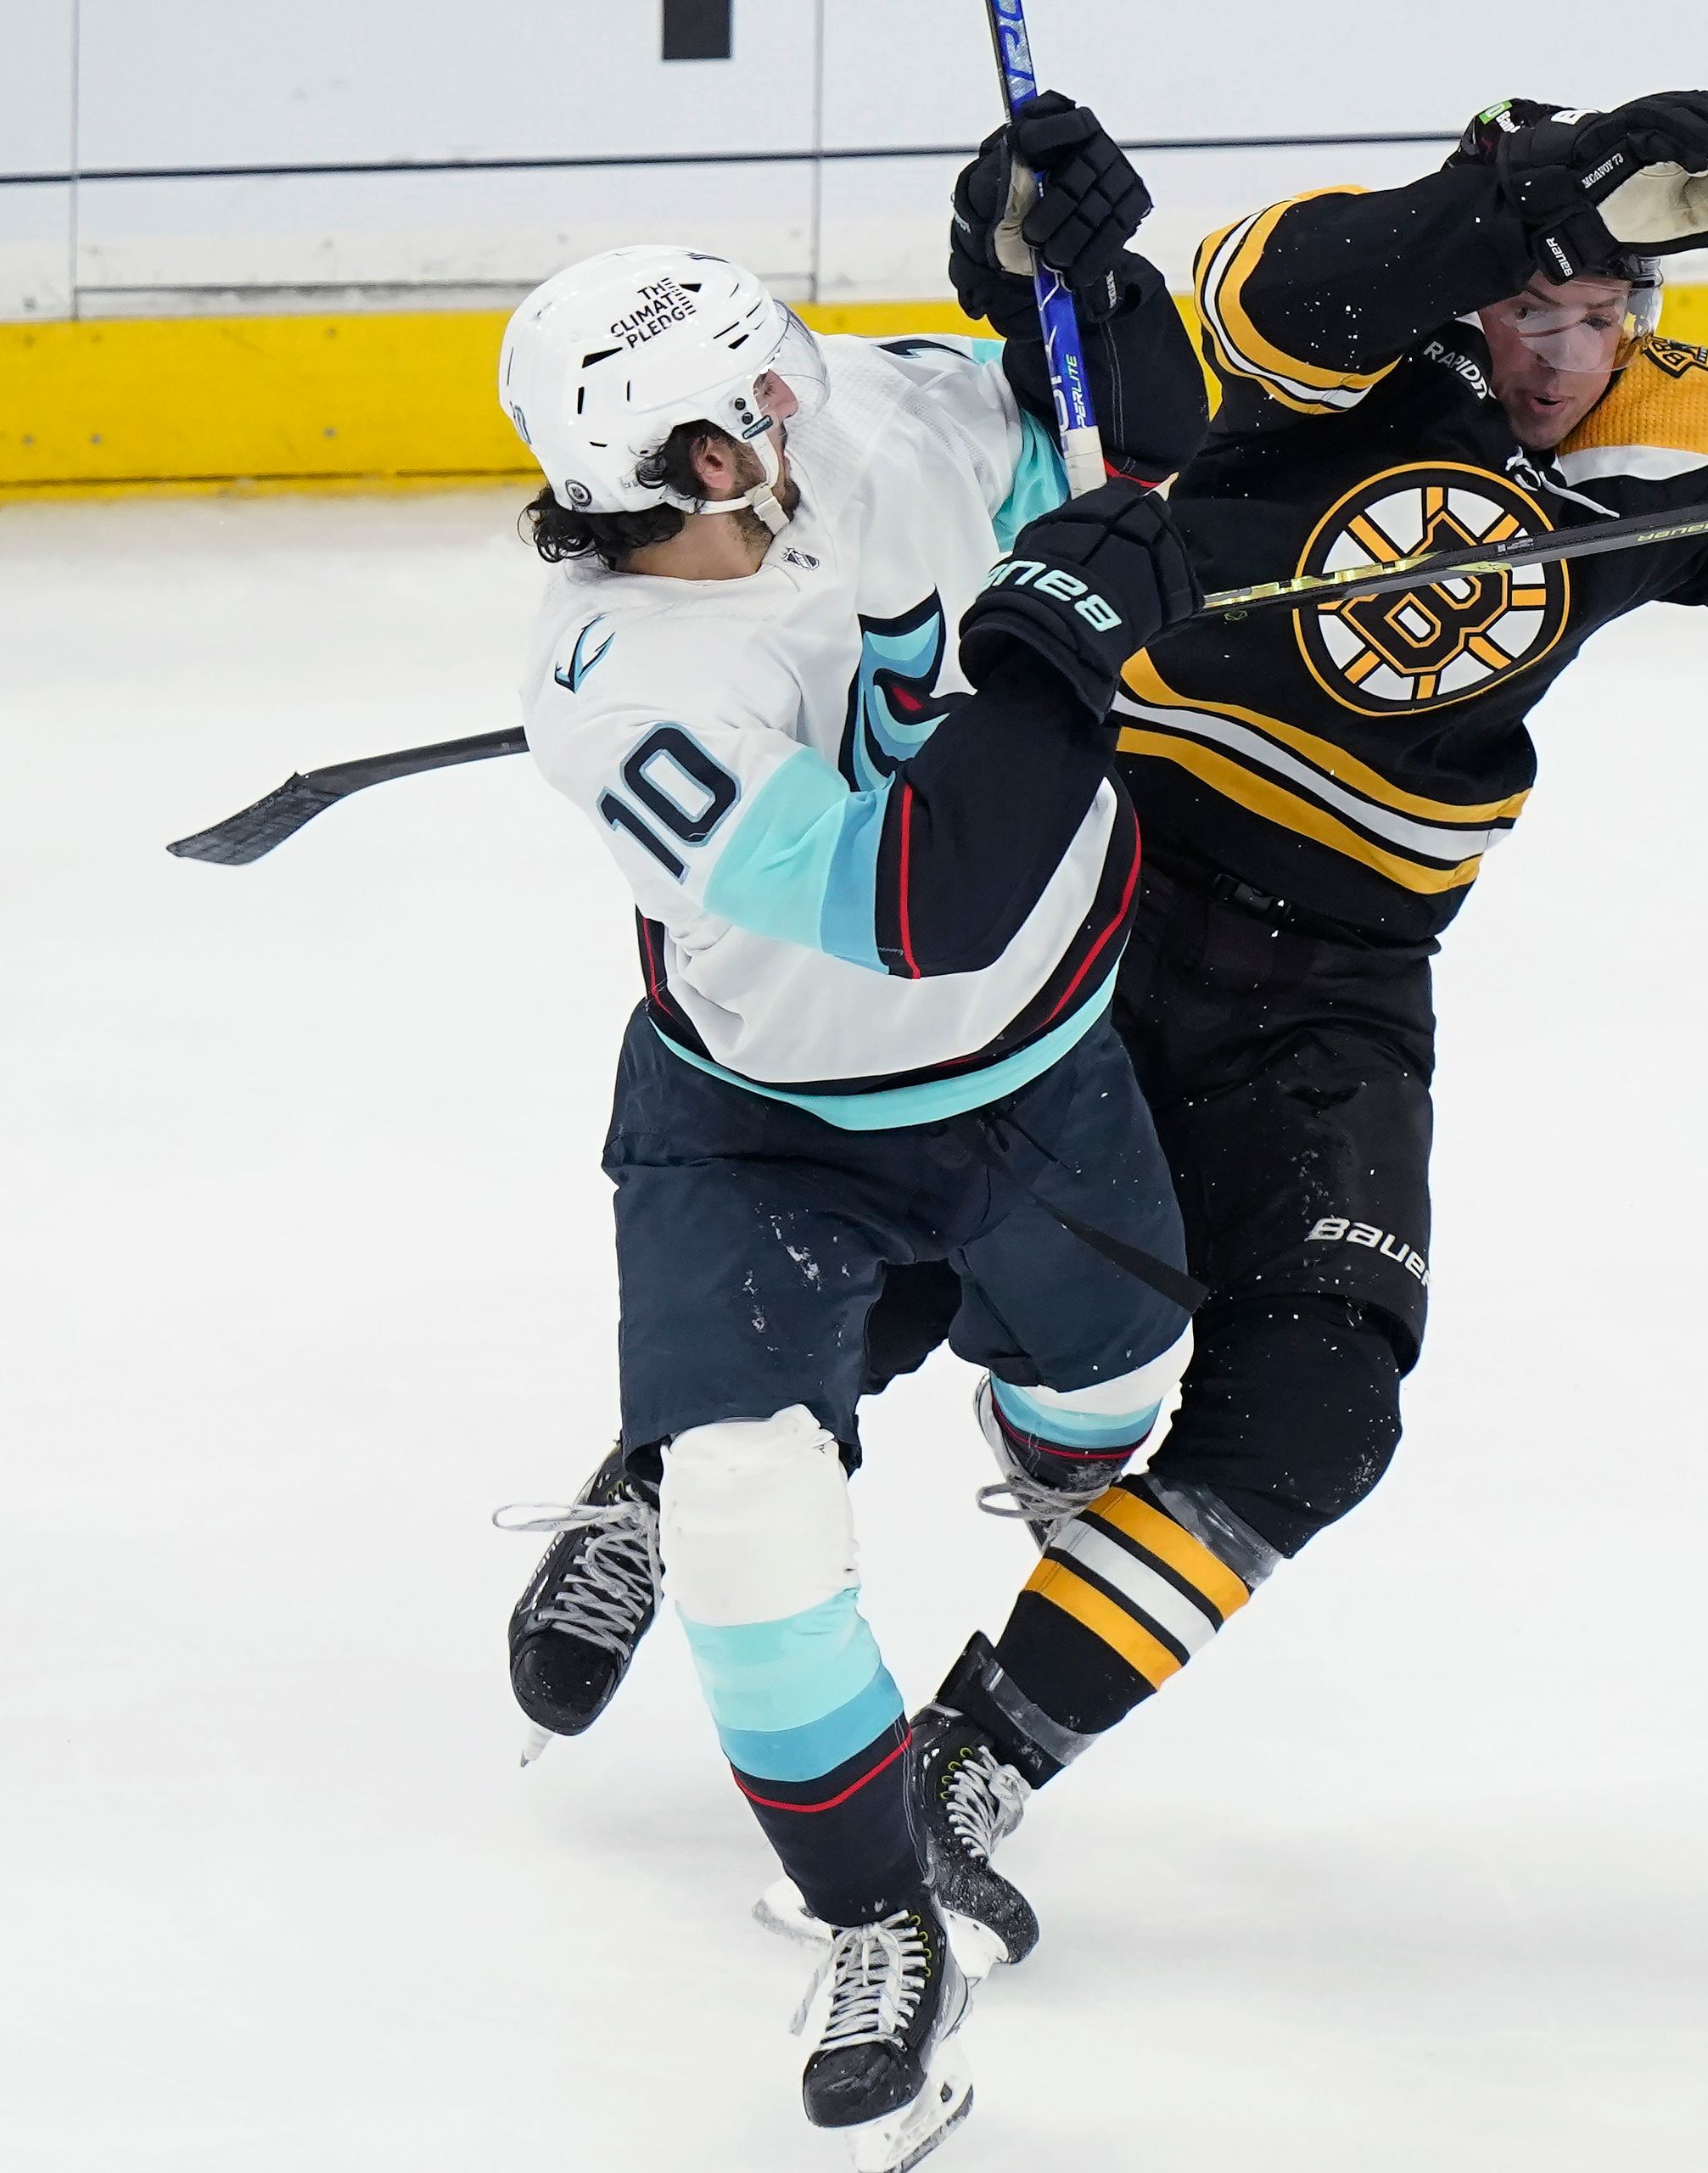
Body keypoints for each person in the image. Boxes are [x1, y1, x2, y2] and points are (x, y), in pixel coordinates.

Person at [893, 92, 1708, 1943]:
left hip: (1343, 972)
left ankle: (963, 1765)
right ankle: (667, 1472)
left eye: (1606, 311)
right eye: (1537, 308)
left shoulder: (1688, 425)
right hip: (1102, 877)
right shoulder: (1344, 324)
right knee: (880, 1241)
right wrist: (1508, 207)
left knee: (1319, 1409)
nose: (1567, 356)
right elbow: (1269, 298)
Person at [482, 96, 1208, 2169]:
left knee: (1115, 1386)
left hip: (1044, 1067)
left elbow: (1121, 431)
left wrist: (1062, 266)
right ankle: (875, 1903)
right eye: (761, 395)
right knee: (751, 1524)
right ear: (704, 465)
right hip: (767, 1122)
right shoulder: (619, 699)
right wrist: (1060, 657)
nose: (811, 391)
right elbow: (923, 906)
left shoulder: (858, 427)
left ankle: (758, 1434)